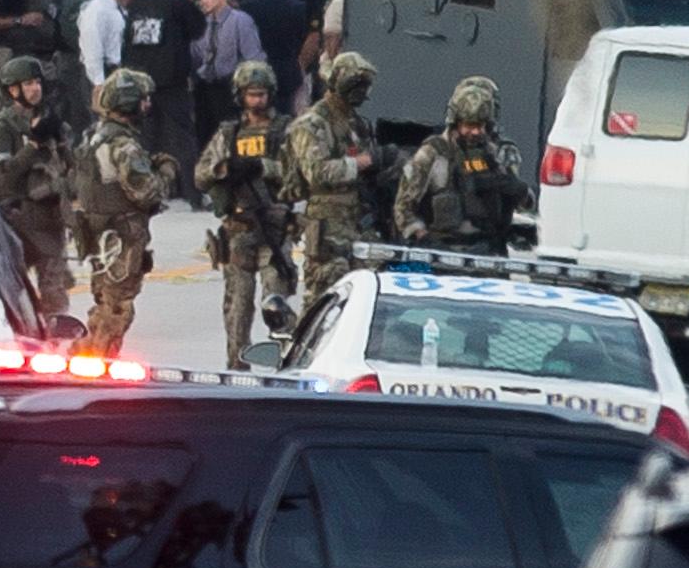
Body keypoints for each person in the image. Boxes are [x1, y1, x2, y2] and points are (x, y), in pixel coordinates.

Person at [194, 60, 296, 367]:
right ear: (240, 96)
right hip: (238, 232)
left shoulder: (285, 131)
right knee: (237, 309)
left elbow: (298, 174)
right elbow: (201, 175)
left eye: (262, 94)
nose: (257, 100)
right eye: (251, 94)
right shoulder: (229, 133)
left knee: (275, 305)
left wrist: (263, 167)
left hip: (274, 231)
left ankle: (286, 364)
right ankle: (236, 365)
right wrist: (224, 170)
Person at [73, 67, 175, 355]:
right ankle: (95, 365)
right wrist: (166, 172)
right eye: (142, 99)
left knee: (104, 303)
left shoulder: (94, 137)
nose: (147, 105)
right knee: (117, 309)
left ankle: (87, 355)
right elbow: (146, 192)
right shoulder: (123, 145)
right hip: (121, 238)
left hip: (99, 236)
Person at [282, 50, 381, 309]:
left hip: (360, 220)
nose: (360, 92)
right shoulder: (312, 124)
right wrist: (358, 164)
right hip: (328, 223)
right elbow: (315, 171)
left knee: (363, 298)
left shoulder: (358, 124)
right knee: (322, 300)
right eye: (355, 85)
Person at [394, 75, 533, 254]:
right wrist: (423, 238)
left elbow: (526, 207)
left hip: (486, 254)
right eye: (469, 125)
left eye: (480, 126)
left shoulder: (495, 155)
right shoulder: (433, 154)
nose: (475, 132)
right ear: (455, 122)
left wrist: (516, 189)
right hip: (441, 254)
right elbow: (403, 208)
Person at [0, 56, 74, 314]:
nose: (35, 89)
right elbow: (1, 180)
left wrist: (62, 142)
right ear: (13, 90)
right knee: (8, 295)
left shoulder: (50, 121)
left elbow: (71, 168)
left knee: (55, 296)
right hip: (17, 222)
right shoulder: (0, 127)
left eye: (37, 82)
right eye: (27, 84)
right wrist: (32, 146)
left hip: (50, 221)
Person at [121, 0, 203, 207]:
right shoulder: (177, 0)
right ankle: (191, 192)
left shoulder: (138, 2)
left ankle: (148, 192)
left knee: (147, 137)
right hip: (172, 81)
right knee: (182, 137)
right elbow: (197, 28)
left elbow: (129, 40)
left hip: (141, 81)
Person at [189, 0, 265, 144]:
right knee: (204, 137)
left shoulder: (241, 21)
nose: (203, 1)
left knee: (233, 135)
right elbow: (194, 56)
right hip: (204, 89)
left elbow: (253, 57)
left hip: (230, 88)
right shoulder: (200, 24)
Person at [244, 0, 309, 115]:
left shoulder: (248, 7)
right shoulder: (297, 7)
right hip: (287, 72)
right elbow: (301, 38)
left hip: (257, 73)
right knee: (284, 119)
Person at [53, 0, 98, 138]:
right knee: (79, 110)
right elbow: (74, 36)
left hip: (67, 61)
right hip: (73, 63)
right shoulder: (74, 3)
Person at [80, 0, 136, 95]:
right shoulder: (97, 10)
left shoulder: (118, 9)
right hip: (103, 75)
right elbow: (92, 47)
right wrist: (99, 83)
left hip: (118, 72)